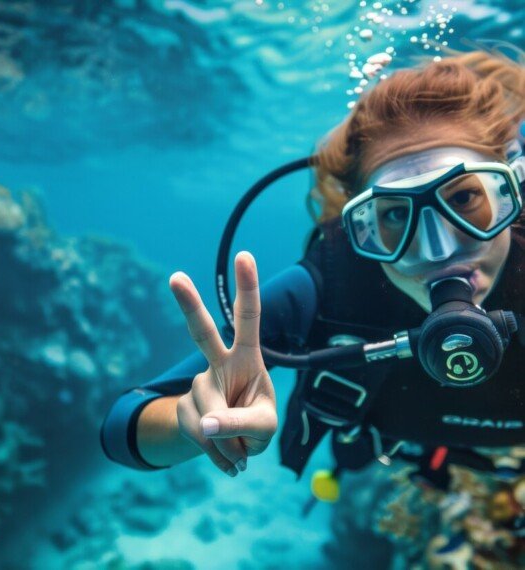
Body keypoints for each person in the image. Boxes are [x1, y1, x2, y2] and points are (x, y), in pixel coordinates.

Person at [101, 49, 525, 485]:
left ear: (510, 192)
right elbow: (120, 426)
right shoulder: (331, 286)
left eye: (463, 198)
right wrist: (191, 420)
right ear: (363, 225)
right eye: (397, 214)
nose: (438, 250)